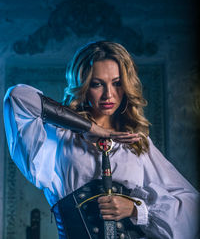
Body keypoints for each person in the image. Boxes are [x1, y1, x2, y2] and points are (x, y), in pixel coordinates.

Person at [3, 41, 199, 239]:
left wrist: (135, 208)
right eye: (97, 84)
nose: (109, 94)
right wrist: (92, 128)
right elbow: (18, 97)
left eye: (117, 83)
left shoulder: (136, 143)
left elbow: (190, 206)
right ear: (83, 86)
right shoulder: (59, 137)